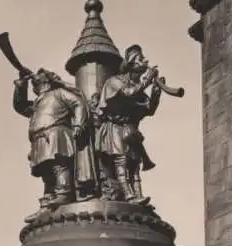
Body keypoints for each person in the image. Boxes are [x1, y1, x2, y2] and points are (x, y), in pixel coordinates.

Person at [13, 67, 97, 220]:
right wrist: (21, 85)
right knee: (47, 173)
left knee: (59, 165)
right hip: (40, 139)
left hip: (57, 134)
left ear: (47, 80)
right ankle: (47, 204)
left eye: (39, 75)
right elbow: (20, 106)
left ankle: (64, 193)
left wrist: (78, 124)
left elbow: (78, 103)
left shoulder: (58, 93)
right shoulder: (38, 102)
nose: (34, 78)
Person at [95, 44, 162, 204]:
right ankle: (129, 196)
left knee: (134, 165)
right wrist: (146, 81)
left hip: (129, 130)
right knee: (122, 162)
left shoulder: (138, 89)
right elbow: (127, 94)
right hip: (114, 128)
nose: (145, 60)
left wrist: (155, 95)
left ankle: (139, 195)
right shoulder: (115, 81)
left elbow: (148, 110)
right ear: (131, 64)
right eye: (140, 58)